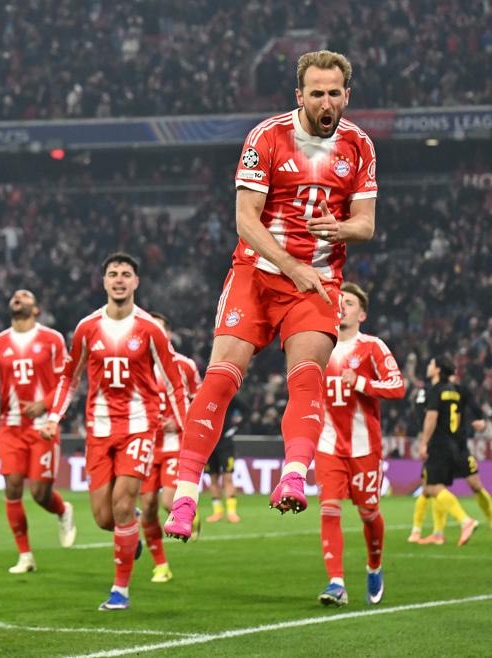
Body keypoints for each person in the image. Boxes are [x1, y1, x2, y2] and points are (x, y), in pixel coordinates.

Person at [164, 50, 377, 540]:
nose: (326, 102)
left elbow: (365, 224)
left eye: (335, 93)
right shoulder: (267, 137)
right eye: (317, 93)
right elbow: (246, 220)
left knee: (307, 375)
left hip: (317, 282)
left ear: (347, 95)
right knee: (221, 377)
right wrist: (291, 265)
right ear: (299, 95)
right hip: (257, 274)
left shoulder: (359, 146)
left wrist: (339, 229)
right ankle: (184, 499)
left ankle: (294, 476)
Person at [42, 253, 188, 610]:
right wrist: (54, 416)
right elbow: (69, 378)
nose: (119, 279)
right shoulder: (87, 328)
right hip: (99, 430)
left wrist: (188, 429)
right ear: (104, 281)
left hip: (139, 427)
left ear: (136, 282)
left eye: (125, 274)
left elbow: (174, 382)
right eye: (113, 274)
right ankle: (131, 524)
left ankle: (120, 591)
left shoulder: (150, 329)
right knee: (104, 517)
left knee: (123, 501)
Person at [316, 282, 405, 607]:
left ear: (362, 314)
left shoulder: (372, 347)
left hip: (364, 447)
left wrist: (363, 382)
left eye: (350, 303)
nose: (342, 306)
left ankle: (374, 565)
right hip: (327, 444)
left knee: (369, 514)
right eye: (339, 301)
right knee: (329, 508)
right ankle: (336, 583)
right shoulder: (317, 346)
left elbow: (398, 387)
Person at [0, 289, 75, 575]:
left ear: (36, 309)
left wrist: (44, 404)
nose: (18, 296)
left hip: (43, 426)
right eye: (16, 295)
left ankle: (63, 510)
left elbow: (66, 382)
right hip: (10, 426)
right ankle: (25, 555)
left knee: (40, 493)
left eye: (26, 295)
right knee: (12, 486)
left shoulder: (52, 339)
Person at [413, 355, 492, 546]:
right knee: (442, 485)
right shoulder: (453, 390)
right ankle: (439, 533)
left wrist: (423, 443)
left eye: (431, 364)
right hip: (456, 445)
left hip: (447, 445)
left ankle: (476, 523)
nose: (428, 366)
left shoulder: (440, 390)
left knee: (437, 486)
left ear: (438, 370)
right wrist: (480, 421)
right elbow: (472, 410)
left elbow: (431, 417)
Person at [139, 312, 202, 583]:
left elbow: (198, 399)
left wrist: (179, 422)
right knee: (147, 508)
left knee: (168, 502)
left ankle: (190, 514)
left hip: (176, 444)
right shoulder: (138, 365)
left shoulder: (184, 366)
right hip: (146, 446)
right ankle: (161, 565)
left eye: (160, 329)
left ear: (168, 334)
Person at [205, 400, 244, 525]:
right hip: (209, 443)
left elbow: (247, 410)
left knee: (228, 477)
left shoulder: (229, 398)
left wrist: (236, 427)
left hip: (225, 444)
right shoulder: (205, 397)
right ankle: (217, 512)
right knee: (213, 478)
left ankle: (232, 512)